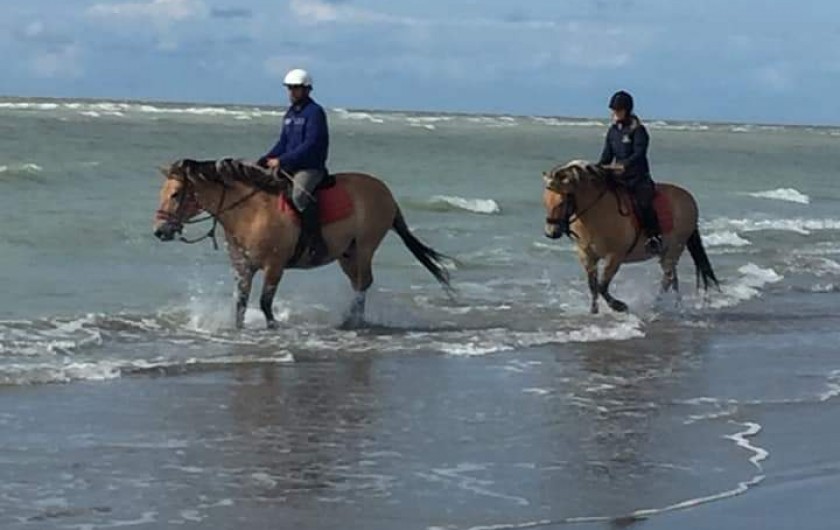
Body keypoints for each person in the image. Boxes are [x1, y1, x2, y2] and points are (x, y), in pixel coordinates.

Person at [258, 68, 330, 262]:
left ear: (307, 89)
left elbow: (311, 144)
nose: (292, 92)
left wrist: (282, 161)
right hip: (290, 165)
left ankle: (315, 240)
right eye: (290, 88)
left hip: (310, 167)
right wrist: (266, 158)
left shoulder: (315, 113)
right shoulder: (290, 114)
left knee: (299, 195)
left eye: (296, 88)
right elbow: (283, 142)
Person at [598, 90, 663, 255]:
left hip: (638, 178)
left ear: (627, 110)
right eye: (613, 110)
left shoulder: (638, 130)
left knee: (644, 203)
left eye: (618, 110)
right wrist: (597, 168)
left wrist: (624, 165)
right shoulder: (613, 131)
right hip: (618, 177)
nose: (615, 113)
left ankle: (654, 237)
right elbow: (607, 155)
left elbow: (639, 153)